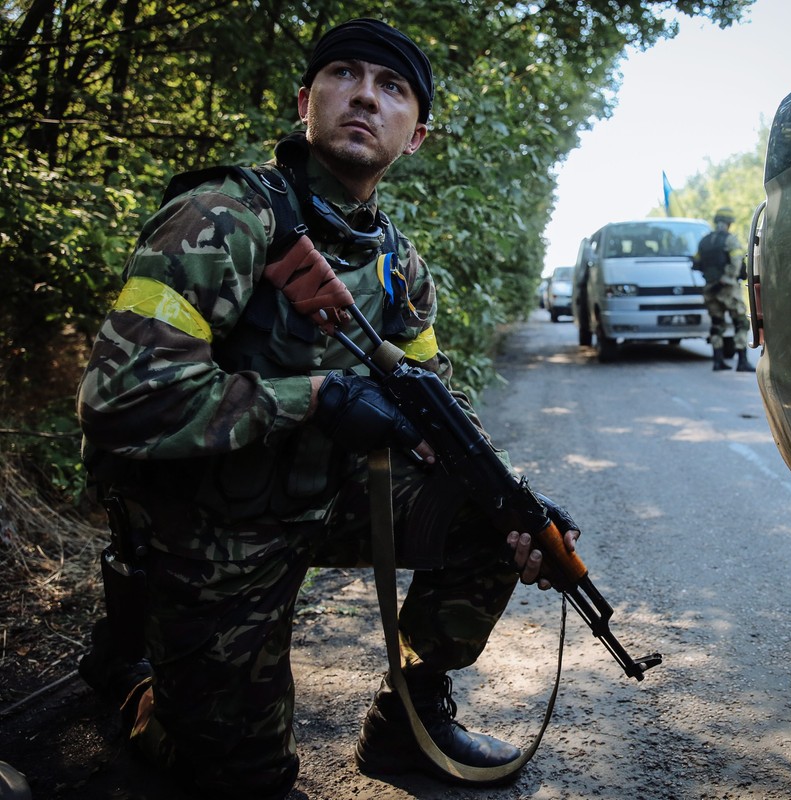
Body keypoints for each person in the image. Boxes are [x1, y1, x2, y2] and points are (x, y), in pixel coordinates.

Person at [75, 18, 578, 799]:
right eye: (345, 76)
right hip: (213, 526)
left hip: (324, 498)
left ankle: (409, 723)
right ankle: (142, 681)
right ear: (306, 101)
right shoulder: (222, 217)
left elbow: (439, 409)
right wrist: (315, 398)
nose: (366, 98)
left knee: (484, 516)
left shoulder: (397, 264)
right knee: (246, 777)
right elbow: (122, 402)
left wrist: (518, 501)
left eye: (393, 88)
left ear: (415, 137)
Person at [692, 207, 754, 372]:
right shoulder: (730, 240)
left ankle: (718, 361)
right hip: (728, 289)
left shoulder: (703, 241)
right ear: (729, 223)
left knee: (716, 324)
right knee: (741, 323)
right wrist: (727, 279)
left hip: (710, 289)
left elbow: (696, 264)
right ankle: (742, 361)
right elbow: (737, 262)